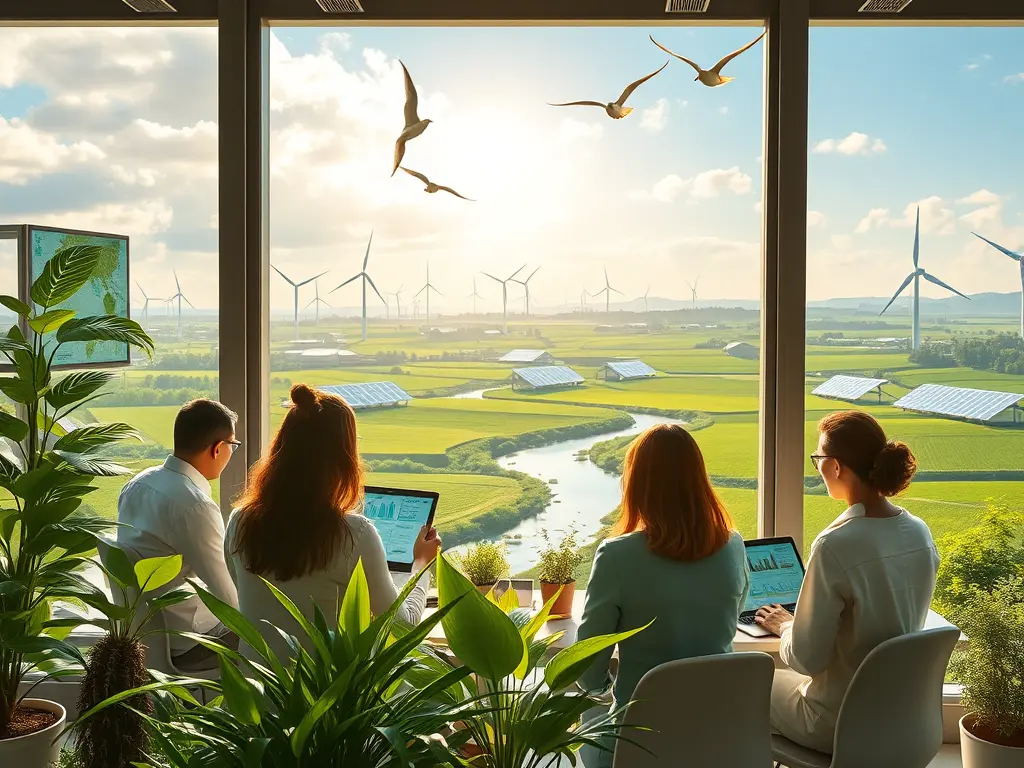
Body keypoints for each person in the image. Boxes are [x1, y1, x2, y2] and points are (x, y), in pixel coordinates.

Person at [756, 410, 940, 754]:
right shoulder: (919, 532)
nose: (818, 467)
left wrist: (785, 626)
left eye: (818, 459)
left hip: (839, 724)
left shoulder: (836, 544)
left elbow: (806, 659)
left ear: (836, 466)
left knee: (746, 685)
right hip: (902, 718)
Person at [224, 383, 440, 662]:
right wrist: (421, 564)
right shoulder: (355, 533)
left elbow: (245, 593)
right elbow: (404, 626)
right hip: (325, 697)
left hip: (255, 694)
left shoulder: (239, 521)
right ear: (344, 458)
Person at [576, 423, 749, 768]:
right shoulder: (733, 544)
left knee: (587, 723)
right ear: (699, 479)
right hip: (716, 740)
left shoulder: (616, 556)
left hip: (638, 746)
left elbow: (587, 668)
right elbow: (732, 614)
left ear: (637, 484)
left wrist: (605, 685)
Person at [117, 399, 241, 671]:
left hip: (147, 634)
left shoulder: (137, 484)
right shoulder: (193, 506)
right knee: (282, 637)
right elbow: (230, 601)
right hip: (189, 642)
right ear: (218, 448)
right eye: (234, 445)